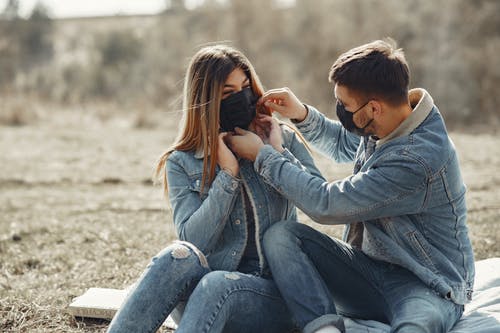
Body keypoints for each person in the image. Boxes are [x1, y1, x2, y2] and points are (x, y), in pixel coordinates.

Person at [227, 39, 475, 333]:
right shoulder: (393, 120)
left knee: (416, 326)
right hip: (369, 272)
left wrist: (262, 156)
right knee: (281, 236)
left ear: (373, 108)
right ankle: (324, 328)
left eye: (344, 105)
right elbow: (347, 144)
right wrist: (301, 114)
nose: (340, 110)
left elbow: (327, 204)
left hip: (427, 284)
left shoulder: (418, 159)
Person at [106, 44, 323, 333]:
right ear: (206, 102)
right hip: (205, 300)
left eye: (246, 87)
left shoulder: (279, 138)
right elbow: (194, 240)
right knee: (178, 254)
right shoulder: (182, 161)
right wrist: (228, 175)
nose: (243, 99)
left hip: (269, 296)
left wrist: (272, 154)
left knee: (217, 283)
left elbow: (318, 198)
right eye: (228, 94)